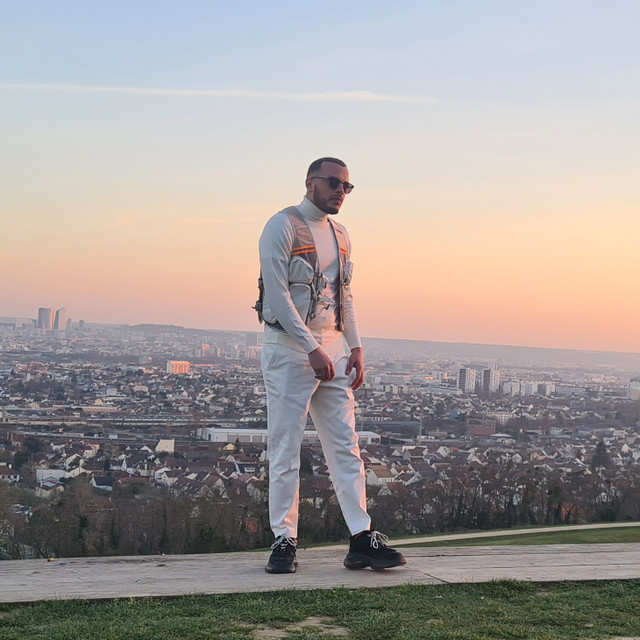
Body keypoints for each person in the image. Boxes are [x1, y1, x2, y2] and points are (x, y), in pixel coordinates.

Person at [257, 157, 406, 573]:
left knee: (345, 445)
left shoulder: (341, 235)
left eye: (347, 186)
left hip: (334, 349)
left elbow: (345, 295)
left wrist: (354, 346)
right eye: (334, 183)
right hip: (290, 350)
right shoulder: (282, 226)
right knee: (286, 447)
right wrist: (310, 347)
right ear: (310, 183)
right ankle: (284, 539)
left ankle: (361, 537)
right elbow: (277, 296)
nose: (341, 191)